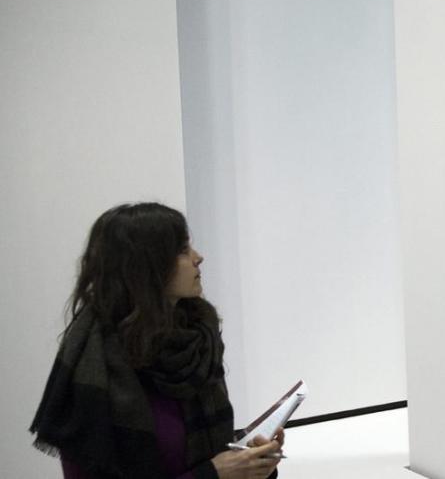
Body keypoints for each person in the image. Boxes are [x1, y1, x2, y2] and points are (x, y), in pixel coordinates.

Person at [30, 203, 283, 479]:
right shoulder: (91, 368)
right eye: (182, 250)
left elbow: (211, 455)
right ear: (145, 266)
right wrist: (213, 474)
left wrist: (253, 462)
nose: (199, 257)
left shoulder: (196, 340)